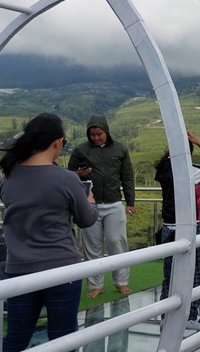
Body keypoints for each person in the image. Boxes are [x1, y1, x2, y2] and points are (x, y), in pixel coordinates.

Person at [0, 113, 99, 351]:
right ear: (57, 142)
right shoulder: (66, 179)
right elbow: (85, 219)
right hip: (62, 269)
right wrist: (91, 202)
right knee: (63, 338)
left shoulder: (7, 178)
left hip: (19, 270)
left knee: (16, 338)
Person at [153, 130, 200, 331]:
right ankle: (190, 316)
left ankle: (165, 318)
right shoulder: (187, 169)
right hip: (188, 227)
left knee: (169, 274)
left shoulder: (163, 167)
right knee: (196, 272)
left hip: (168, 227)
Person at [68, 115, 135, 298]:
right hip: (89, 204)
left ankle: (121, 282)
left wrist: (131, 202)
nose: (96, 138)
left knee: (117, 242)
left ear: (106, 131)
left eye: (99, 134)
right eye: (92, 135)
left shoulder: (120, 149)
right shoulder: (81, 150)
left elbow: (127, 176)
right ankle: (96, 285)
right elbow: (68, 176)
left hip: (114, 203)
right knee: (92, 246)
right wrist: (78, 174)